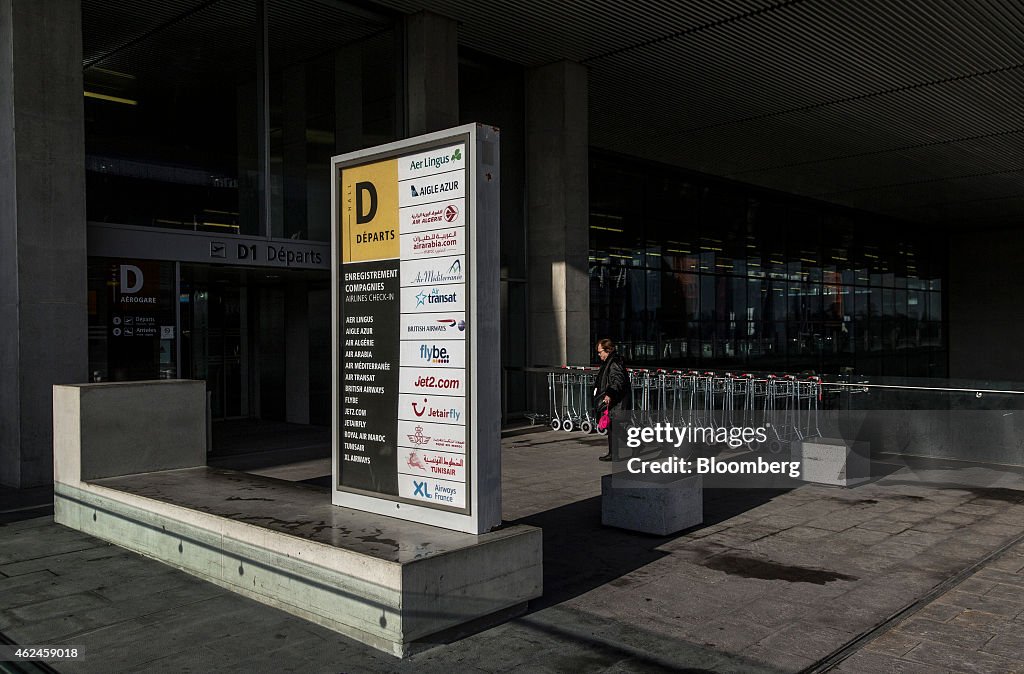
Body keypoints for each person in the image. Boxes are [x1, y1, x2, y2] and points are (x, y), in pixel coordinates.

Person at [593, 338, 631, 461]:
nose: (599, 355)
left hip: (615, 401)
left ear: (608, 350)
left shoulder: (614, 363)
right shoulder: (610, 362)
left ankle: (615, 454)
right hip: (614, 401)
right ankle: (616, 452)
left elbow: (618, 381)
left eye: (600, 352)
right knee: (613, 427)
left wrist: (609, 394)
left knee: (613, 427)